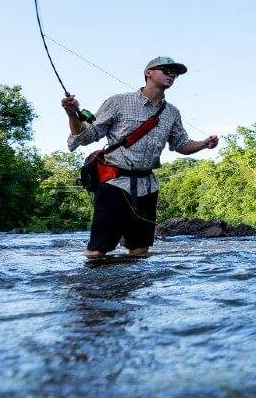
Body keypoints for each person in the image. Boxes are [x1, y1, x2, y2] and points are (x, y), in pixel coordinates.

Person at [61, 56, 218, 259]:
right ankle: (97, 290)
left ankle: (132, 288)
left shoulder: (171, 113)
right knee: (97, 251)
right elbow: (86, 136)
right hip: (114, 184)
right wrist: (72, 114)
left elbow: (181, 145)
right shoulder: (118, 102)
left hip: (148, 187)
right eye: (166, 70)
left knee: (140, 251)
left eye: (175, 73)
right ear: (148, 73)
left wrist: (203, 144)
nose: (172, 75)